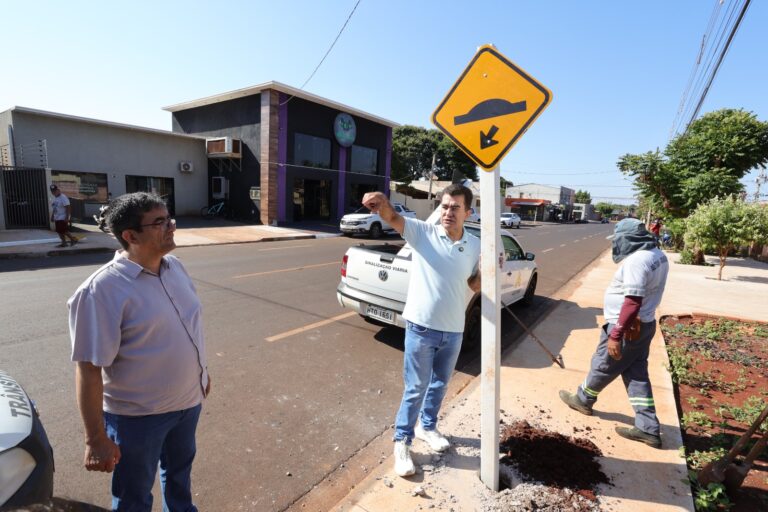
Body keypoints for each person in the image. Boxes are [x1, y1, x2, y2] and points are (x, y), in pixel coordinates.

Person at [68, 192, 211, 511]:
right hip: (138, 418)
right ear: (130, 236)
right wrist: (95, 439)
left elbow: (187, 327)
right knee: (133, 495)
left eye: (169, 218)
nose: (171, 226)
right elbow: (89, 368)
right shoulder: (102, 290)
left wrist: (201, 373)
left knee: (179, 478)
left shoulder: (176, 268)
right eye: (160, 222)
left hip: (188, 404)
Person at [362, 184, 481, 478]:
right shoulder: (424, 234)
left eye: (455, 207)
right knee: (415, 388)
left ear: (468, 212)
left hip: (454, 329)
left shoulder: (476, 245)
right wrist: (382, 203)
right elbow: (393, 218)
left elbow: (473, 284)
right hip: (421, 327)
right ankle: (402, 442)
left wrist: (491, 272)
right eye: (444, 206)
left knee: (440, 385)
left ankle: (427, 427)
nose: (448, 212)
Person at [559, 218, 669, 448]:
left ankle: (582, 399)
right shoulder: (657, 255)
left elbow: (632, 301)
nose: (617, 243)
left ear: (629, 238)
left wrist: (616, 335)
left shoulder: (638, 262)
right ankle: (648, 428)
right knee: (636, 375)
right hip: (644, 325)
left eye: (619, 239)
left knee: (603, 364)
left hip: (628, 328)